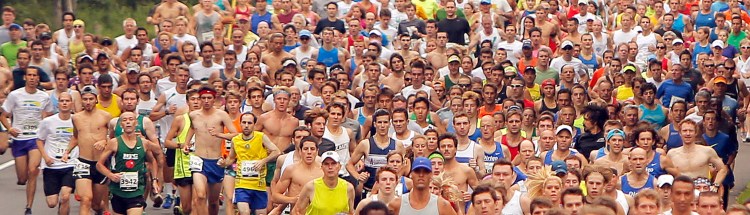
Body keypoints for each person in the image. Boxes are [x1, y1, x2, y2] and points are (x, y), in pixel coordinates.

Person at [0, 65, 53, 214]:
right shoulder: (15, 95)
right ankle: (24, 180)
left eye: (34, 75)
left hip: (35, 139)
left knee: (33, 171)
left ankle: (28, 207)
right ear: (25, 78)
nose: (31, 78)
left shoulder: (44, 97)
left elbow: (48, 116)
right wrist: (10, 129)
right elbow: (3, 116)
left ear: (38, 78)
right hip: (19, 139)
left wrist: (45, 128)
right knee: (23, 178)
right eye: (29, 75)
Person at [183, 86, 238, 215]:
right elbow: (192, 128)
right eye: (203, 98)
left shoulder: (221, 115)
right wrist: (186, 144)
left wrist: (220, 135)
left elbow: (235, 134)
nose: (206, 101)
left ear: (214, 99)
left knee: (213, 202)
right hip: (199, 160)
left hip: (216, 161)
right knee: (201, 196)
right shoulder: (194, 115)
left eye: (209, 98)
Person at [95, 112, 159, 215]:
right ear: (121, 125)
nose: (128, 122)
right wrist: (111, 175)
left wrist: (155, 180)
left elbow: (153, 159)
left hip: (137, 191)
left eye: (131, 119)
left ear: (136, 123)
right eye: (124, 120)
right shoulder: (114, 142)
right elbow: (99, 164)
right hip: (117, 191)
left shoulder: (144, 143)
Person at [218, 113, 281, 215]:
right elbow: (231, 158)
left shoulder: (261, 137)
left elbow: (276, 151)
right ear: (240, 124)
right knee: (244, 212)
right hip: (242, 184)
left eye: (249, 123)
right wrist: (223, 163)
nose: (246, 125)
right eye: (244, 122)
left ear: (254, 125)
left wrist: (263, 161)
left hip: (258, 185)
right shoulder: (236, 140)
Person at [36, 92, 76, 215]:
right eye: (62, 101)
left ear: (72, 103)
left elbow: (79, 138)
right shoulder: (48, 121)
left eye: (67, 101)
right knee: (52, 203)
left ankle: (64, 203)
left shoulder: (77, 120)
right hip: (51, 165)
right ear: (58, 104)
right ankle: (62, 205)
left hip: (70, 164)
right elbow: (39, 140)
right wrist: (45, 157)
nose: (64, 103)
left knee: (65, 196)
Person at [667, 119, 728, 191]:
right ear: (680, 133)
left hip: (701, 190)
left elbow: (723, 169)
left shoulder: (707, 151)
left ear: (695, 133)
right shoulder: (672, 154)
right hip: (681, 191)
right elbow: (667, 175)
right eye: (685, 131)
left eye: (691, 131)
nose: (688, 133)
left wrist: (715, 185)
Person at [387, 157, 458, 215]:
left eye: (425, 171)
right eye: (417, 171)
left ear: (431, 175)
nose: (421, 175)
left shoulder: (442, 205)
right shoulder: (396, 204)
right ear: (411, 174)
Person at [272, 136, 323, 214]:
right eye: (306, 149)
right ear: (300, 151)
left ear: (317, 151)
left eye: (312, 149)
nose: (309, 152)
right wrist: (292, 199)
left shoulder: (323, 171)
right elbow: (275, 196)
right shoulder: (291, 170)